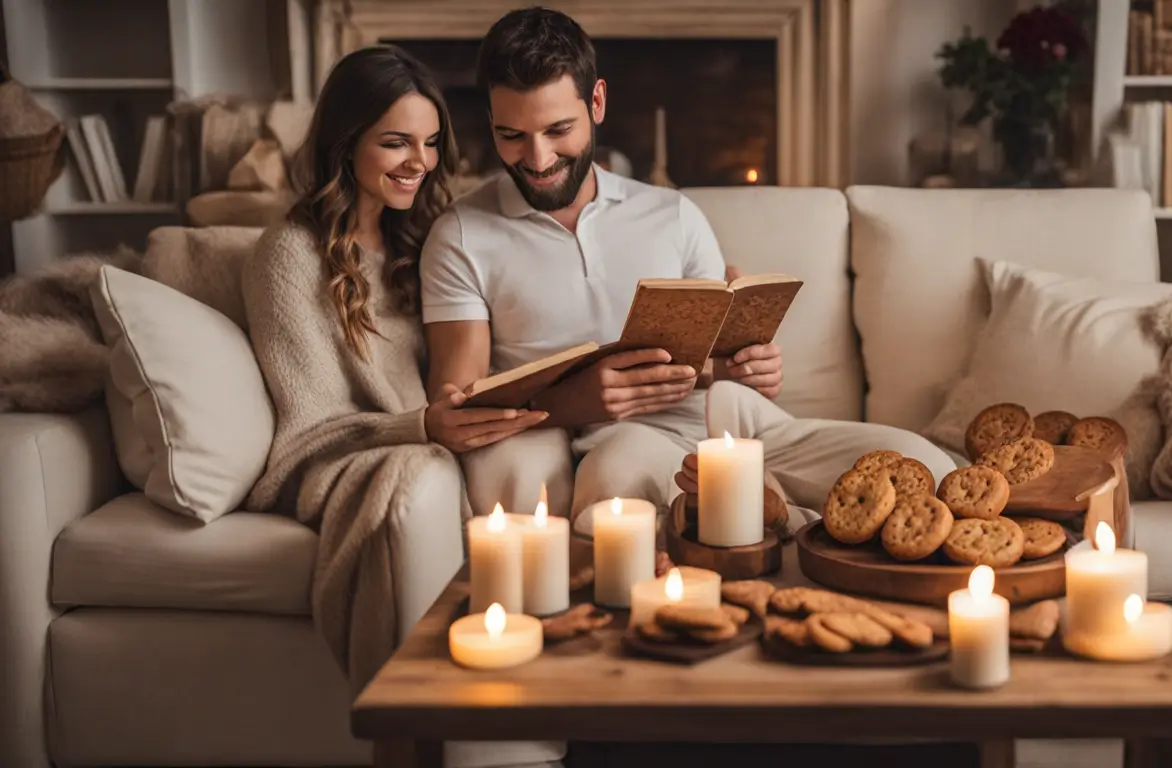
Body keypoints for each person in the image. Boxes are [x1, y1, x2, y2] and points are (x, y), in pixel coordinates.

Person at [420, 8, 955, 534]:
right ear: (490, 122)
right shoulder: (464, 234)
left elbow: (716, 352)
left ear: (597, 102)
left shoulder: (671, 213)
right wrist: (571, 401)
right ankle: (780, 516)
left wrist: (748, 365)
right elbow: (465, 402)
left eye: (559, 129)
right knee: (617, 492)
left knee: (924, 467)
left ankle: (775, 505)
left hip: (727, 413)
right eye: (512, 135)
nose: (537, 159)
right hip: (622, 437)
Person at [241, 44, 566, 768]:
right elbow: (309, 425)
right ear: (343, 143)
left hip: (441, 435)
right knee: (419, 487)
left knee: (525, 465)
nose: (417, 162)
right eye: (394, 143)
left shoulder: (425, 231)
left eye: (428, 143)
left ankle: (537, 713)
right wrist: (421, 425)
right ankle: (424, 736)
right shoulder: (289, 255)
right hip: (353, 455)